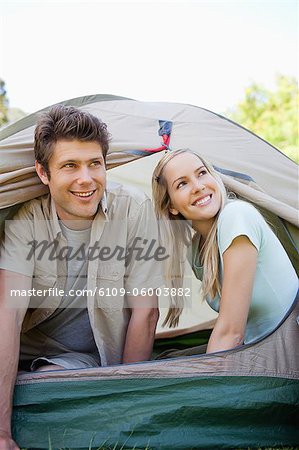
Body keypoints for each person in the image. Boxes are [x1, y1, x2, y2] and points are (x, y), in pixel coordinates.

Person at [0, 105, 163, 449]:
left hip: (79, 359)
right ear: (43, 173)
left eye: (95, 164)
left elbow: (146, 311)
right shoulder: (26, 220)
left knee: (49, 384)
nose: (86, 179)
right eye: (70, 166)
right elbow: (8, 314)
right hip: (19, 345)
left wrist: (125, 406)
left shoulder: (133, 211)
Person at [152, 148, 298, 353]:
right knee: (166, 359)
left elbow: (231, 332)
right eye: (182, 184)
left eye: (202, 173)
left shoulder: (237, 215)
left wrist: (211, 382)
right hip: (256, 348)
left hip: (286, 350)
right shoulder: (195, 250)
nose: (198, 186)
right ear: (171, 206)